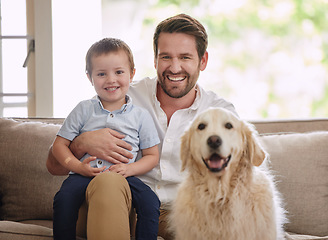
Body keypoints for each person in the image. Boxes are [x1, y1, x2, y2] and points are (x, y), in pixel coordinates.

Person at [47, 14, 237, 239]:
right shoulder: (119, 93)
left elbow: (242, 178)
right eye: (166, 57)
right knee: (109, 180)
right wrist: (82, 143)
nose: (174, 68)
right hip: (119, 205)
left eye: (185, 57)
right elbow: (54, 166)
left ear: (203, 61)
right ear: (155, 60)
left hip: (187, 214)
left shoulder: (221, 114)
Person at [51, 38, 160, 240]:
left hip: (125, 177)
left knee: (151, 201)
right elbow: (59, 146)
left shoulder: (141, 116)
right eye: (101, 74)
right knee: (63, 199)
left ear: (132, 73)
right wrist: (78, 166)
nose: (111, 80)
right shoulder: (83, 109)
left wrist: (129, 169)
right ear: (89, 78)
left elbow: (152, 155)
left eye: (119, 72)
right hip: (83, 175)